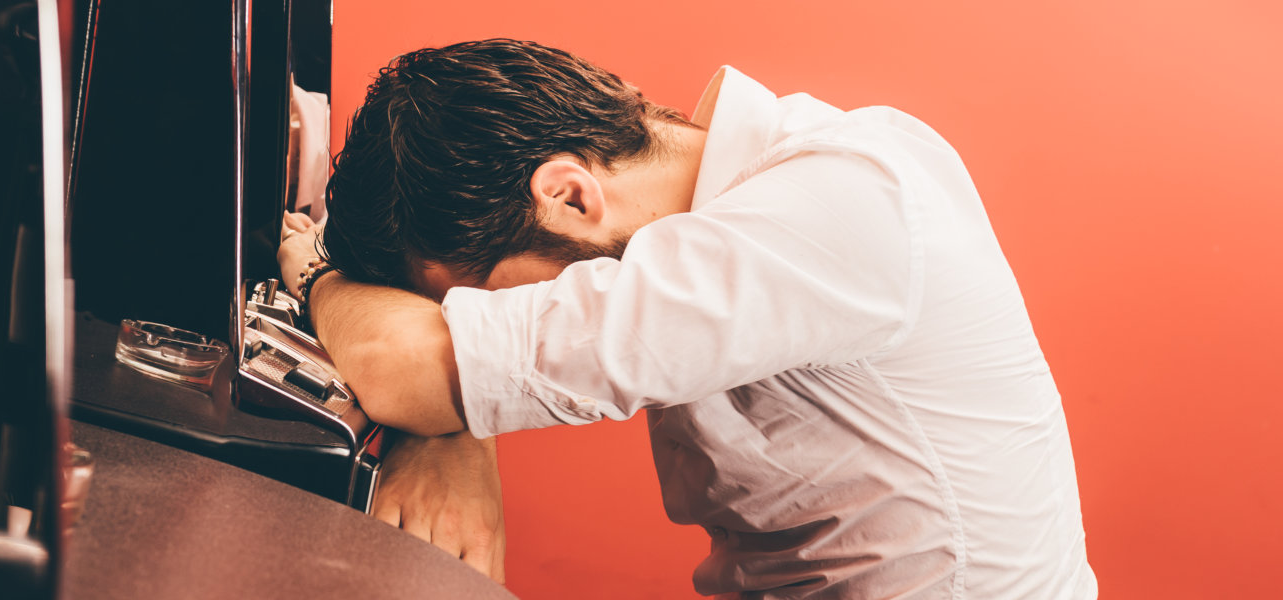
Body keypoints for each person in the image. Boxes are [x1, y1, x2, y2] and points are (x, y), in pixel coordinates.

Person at [279, 39, 1096, 598]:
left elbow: (402, 368)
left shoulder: (842, 204)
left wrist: (318, 272)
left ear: (568, 195)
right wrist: (457, 429)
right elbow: (442, 370)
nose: (503, 317)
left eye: (485, 299)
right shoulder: (749, 199)